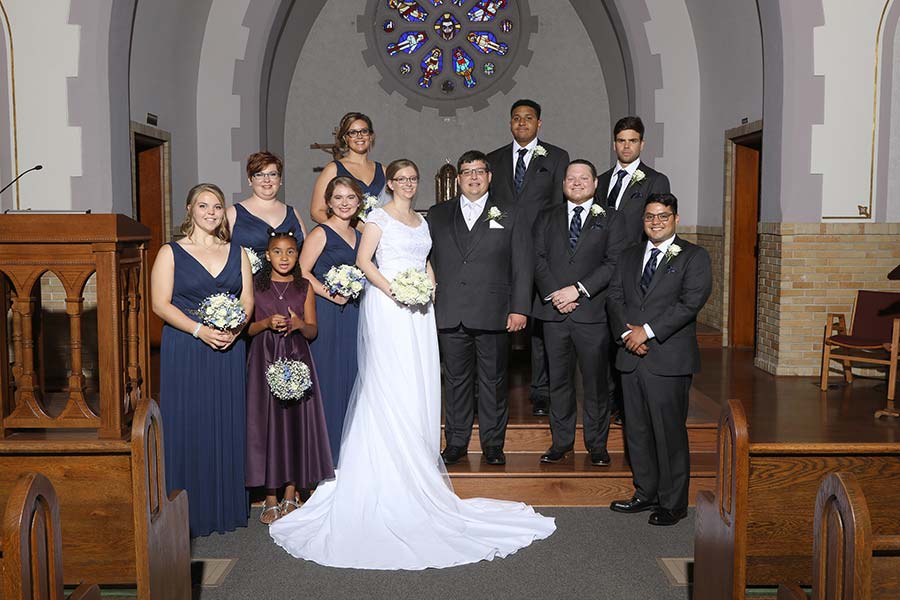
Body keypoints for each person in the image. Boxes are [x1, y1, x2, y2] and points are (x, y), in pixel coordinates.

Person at [269, 159, 554, 569]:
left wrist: (429, 285)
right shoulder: (376, 218)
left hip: (419, 310)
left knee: (419, 381)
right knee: (389, 380)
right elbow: (366, 264)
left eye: (411, 179)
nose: (406, 183)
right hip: (388, 307)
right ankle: (387, 466)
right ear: (391, 184)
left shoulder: (423, 220)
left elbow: (427, 259)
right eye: (400, 179)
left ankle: (418, 458)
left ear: (418, 183)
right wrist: (395, 290)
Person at [150, 183, 254, 537]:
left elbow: (248, 300)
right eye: (204, 206)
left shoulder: (236, 251)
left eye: (217, 206)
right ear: (190, 209)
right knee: (189, 422)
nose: (211, 212)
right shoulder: (171, 252)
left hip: (228, 347)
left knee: (226, 421)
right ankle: (185, 512)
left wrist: (235, 329)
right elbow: (160, 304)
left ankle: (223, 506)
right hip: (187, 347)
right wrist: (199, 331)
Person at [607, 193, 712, 527]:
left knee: (668, 433)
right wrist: (627, 335)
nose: (655, 222)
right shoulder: (628, 255)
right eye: (650, 217)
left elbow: (690, 302)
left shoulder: (694, 256)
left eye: (663, 216)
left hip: (668, 358)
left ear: (675, 219)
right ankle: (645, 492)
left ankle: (673, 502)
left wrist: (647, 332)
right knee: (636, 430)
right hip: (630, 356)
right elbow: (614, 298)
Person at [427, 150, 532, 467]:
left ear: (489, 176)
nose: (473, 176)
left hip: (494, 312)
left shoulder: (511, 213)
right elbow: (426, 259)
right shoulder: (437, 213)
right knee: (455, 382)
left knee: (494, 383)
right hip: (451, 311)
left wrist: (520, 308)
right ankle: (456, 443)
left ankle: (492, 445)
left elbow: (523, 266)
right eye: (467, 171)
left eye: (479, 171)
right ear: (458, 179)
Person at [532, 159, 627, 467]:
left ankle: (597, 444)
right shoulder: (546, 216)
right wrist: (557, 295)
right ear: (563, 184)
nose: (576, 182)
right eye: (570, 178)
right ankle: (561, 442)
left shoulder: (612, 218)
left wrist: (578, 290)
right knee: (558, 382)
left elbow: (614, 263)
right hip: (554, 313)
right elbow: (538, 258)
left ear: (595, 183)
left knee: (596, 383)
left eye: (583, 177)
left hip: (593, 313)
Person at [487, 99, 570, 417]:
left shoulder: (556, 156)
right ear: (510, 123)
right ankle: (496, 388)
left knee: (541, 325)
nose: (522, 123)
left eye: (529, 118)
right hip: (504, 252)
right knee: (499, 320)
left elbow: (558, 206)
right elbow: (491, 206)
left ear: (539, 123)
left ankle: (541, 391)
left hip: (541, 250)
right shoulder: (493, 159)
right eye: (516, 118)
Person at [246, 231, 335, 524]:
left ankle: (290, 493)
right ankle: (269, 496)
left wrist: (298, 325)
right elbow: (246, 329)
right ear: (267, 255)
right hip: (264, 357)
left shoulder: (304, 286)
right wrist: (264, 323)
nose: (284, 258)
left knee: (294, 423)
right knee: (267, 423)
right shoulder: (256, 286)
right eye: (277, 252)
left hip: (296, 357)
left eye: (290, 252)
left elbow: (313, 330)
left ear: (298, 256)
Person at [598, 116, 670, 425]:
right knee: (606, 333)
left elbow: (657, 226)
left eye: (632, 141)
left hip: (633, 267)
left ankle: (629, 404)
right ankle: (608, 399)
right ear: (614, 144)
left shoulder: (655, 179)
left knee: (629, 329)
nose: (626, 146)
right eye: (621, 140)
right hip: (602, 267)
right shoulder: (600, 180)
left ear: (641, 144)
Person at [299, 176, 363, 463]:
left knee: (355, 379)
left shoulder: (362, 235)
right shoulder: (321, 233)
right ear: (328, 203)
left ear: (359, 202)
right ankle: (326, 455)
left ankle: (351, 452)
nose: (345, 203)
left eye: (350, 197)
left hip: (357, 314)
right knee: (328, 379)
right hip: (328, 312)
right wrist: (330, 293)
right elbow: (301, 272)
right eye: (338, 198)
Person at [228, 151, 308, 261]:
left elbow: (306, 255)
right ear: (250, 180)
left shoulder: (293, 213)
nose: (266, 180)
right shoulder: (233, 213)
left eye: (272, 174)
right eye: (259, 175)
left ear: (280, 180)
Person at [310, 112, 386, 224]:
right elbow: (316, 212)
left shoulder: (384, 171)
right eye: (353, 132)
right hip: (346, 238)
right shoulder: (333, 169)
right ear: (346, 138)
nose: (359, 136)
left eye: (364, 131)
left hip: (378, 238)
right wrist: (348, 229)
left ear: (371, 136)